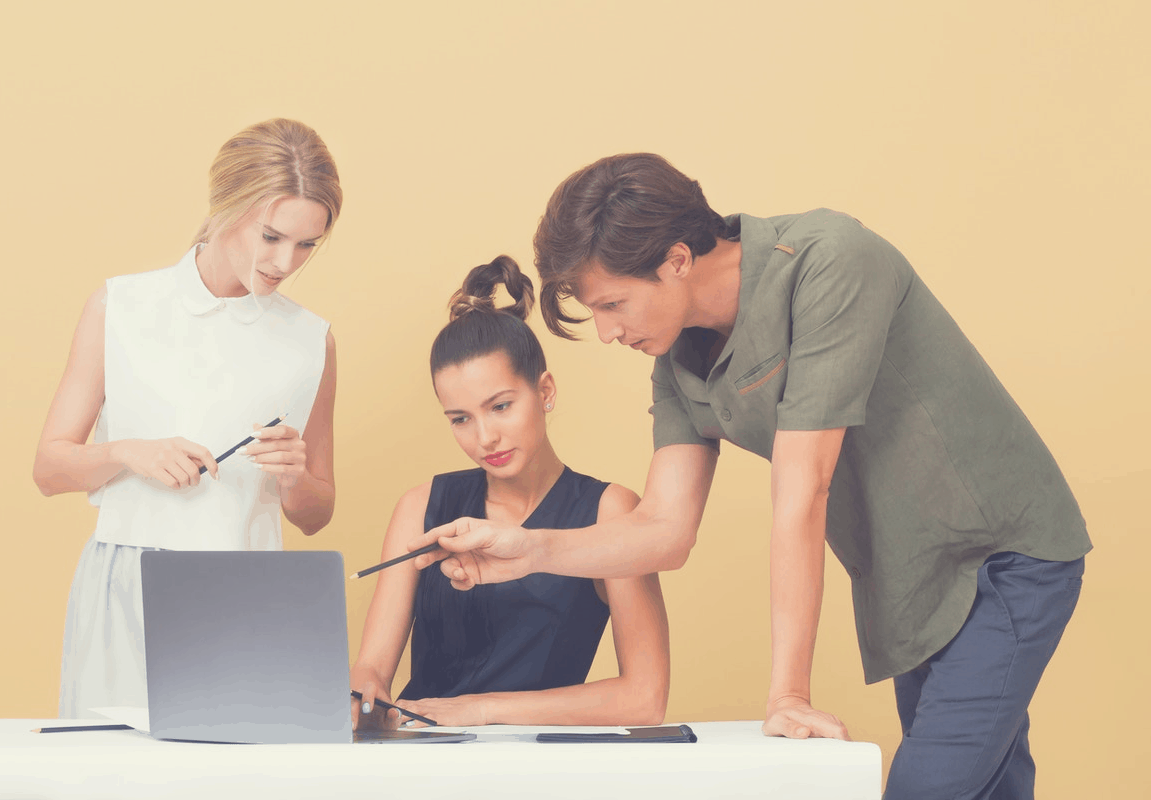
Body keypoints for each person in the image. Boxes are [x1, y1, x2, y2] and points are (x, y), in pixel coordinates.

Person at [411, 154, 1090, 798]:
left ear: (677, 260)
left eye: (613, 304)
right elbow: (664, 530)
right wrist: (528, 550)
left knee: (931, 786)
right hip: (907, 585)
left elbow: (803, 491)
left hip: (1002, 557)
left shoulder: (830, 263)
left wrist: (787, 694)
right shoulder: (677, 358)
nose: (609, 333)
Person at [33, 118, 342, 718]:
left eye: (308, 244)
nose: (286, 262)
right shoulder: (120, 306)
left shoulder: (313, 342)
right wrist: (127, 452)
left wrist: (293, 477)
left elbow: (317, 514)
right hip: (126, 583)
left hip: (250, 593)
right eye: (272, 236)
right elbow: (48, 469)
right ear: (226, 206)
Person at [350, 255, 669, 731]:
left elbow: (644, 699)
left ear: (545, 392)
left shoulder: (610, 512)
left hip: (534, 764)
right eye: (460, 419)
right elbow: (372, 670)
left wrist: (479, 711)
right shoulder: (420, 508)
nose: (485, 438)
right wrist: (363, 693)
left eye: (500, 406)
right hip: (420, 755)